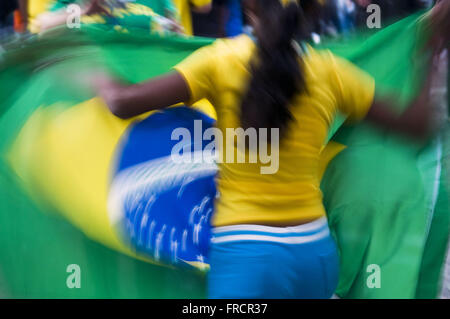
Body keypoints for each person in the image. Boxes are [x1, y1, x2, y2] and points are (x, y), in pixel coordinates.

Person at [93, 0, 448, 298]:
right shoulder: (331, 71)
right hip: (314, 255)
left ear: (248, 6)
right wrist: (428, 51)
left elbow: (122, 102)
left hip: (247, 261)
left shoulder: (220, 61)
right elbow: (418, 125)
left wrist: (85, 63)